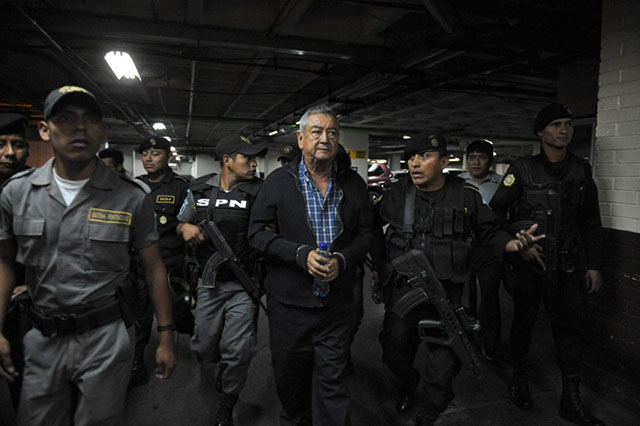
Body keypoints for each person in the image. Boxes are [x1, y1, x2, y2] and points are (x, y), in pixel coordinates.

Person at [0, 86, 175, 426]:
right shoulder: (17, 193)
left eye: (90, 119)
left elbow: (154, 269)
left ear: (103, 131)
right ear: (45, 129)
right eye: (65, 119)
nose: (79, 128)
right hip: (42, 335)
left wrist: (167, 337)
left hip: (105, 337)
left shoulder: (131, 196)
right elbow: (4, 262)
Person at [375, 133, 540, 426]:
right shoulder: (398, 194)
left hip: (447, 296)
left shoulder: (465, 195)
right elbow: (368, 225)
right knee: (394, 353)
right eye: (411, 157)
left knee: (443, 369)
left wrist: (513, 245)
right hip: (403, 292)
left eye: (424, 156)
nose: (415, 163)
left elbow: (490, 232)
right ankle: (407, 380)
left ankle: (426, 415)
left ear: (444, 162)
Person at [249, 104, 374, 426]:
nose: (325, 138)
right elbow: (257, 234)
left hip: (337, 306)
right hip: (290, 307)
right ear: (301, 138)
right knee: (292, 383)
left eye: (332, 132)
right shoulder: (277, 182)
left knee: (334, 381)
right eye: (317, 132)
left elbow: (367, 234)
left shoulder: (354, 185)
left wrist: (343, 261)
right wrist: (299, 254)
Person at [490, 103, 605, 426]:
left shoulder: (581, 171)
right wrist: (519, 242)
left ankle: (571, 400)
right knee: (523, 327)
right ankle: (520, 380)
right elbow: (497, 214)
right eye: (556, 124)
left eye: (568, 124)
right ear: (541, 132)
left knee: (570, 333)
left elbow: (591, 222)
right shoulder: (522, 170)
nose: (564, 130)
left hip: (569, 268)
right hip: (530, 266)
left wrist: (594, 265)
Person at [177, 135, 267, 426]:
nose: (254, 163)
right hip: (208, 282)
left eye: (255, 158)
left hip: (243, 284)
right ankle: (220, 367)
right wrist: (185, 228)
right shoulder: (199, 189)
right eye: (247, 158)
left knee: (238, 351)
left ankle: (228, 402)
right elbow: (181, 221)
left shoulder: (260, 193)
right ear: (227, 160)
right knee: (204, 346)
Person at [127, 136, 189, 389]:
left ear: (168, 156)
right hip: (138, 264)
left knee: (179, 314)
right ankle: (136, 364)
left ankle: (190, 334)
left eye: (155, 153)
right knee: (139, 317)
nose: (149, 159)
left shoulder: (182, 187)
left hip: (171, 263)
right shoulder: (133, 186)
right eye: (145, 154)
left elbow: (189, 223)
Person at [458, 139, 505, 360]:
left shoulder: (502, 185)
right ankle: (465, 340)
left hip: (489, 248)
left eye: (482, 157)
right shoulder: (455, 184)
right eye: (472, 157)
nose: (476, 162)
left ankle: (490, 344)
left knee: (490, 297)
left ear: (490, 160)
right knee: (464, 296)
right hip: (462, 247)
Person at [0, 113, 30, 418]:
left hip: (21, 304)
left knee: (21, 382)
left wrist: (30, 286)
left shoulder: (39, 190)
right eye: (1, 144)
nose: (10, 152)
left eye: (17, 144)